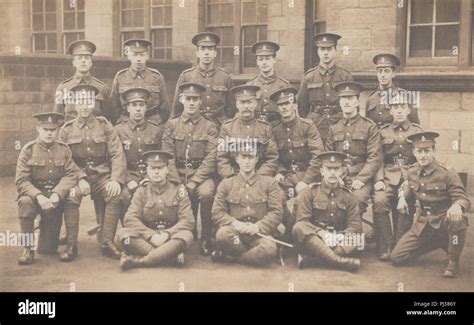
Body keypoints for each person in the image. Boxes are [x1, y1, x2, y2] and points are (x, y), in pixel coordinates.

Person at [58, 84, 128, 259]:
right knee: (72, 195)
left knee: (116, 194)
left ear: (93, 104)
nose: (84, 106)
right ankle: (72, 245)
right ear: (74, 103)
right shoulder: (66, 130)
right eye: (80, 101)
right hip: (76, 177)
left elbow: (117, 153)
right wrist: (80, 177)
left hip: (102, 176)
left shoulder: (104, 125)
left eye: (88, 101)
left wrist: (115, 179)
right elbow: (63, 160)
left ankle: (106, 243)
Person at [391, 131, 470, 278]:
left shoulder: (447, 172)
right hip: (422, 224)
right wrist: (402, 197)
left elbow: (463, 198)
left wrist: (457, 205)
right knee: (397, 257)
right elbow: (407, 185)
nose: (423, 155)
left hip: (443, 220)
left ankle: (453, 260)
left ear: (434, 150)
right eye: (419, 151)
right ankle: (436, 242)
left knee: (459, 219)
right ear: (414, 152)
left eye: (427, 151)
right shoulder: (412, 170)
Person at [15, 112, 80, 264]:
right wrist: (38, 195)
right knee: (24, 201)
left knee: (73, 193)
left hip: (57, 197)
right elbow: (21, 181)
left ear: (57, 129)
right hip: (37, 197)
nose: (49, 133)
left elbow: (71, 175)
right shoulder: (28, 150)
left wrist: (58, 193)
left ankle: (71, 246)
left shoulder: (64, 149)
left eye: (53, 129)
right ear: (38, 128)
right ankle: (28, 249)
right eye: (46, 129)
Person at [162, 82, 218, 255]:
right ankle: (180, 233)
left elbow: (211, 158)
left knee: (207, 193)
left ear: (201, 101)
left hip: (200, 174)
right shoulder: (171, 125)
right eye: (188, 99)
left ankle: (206, 237)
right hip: (177, 172)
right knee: (173, 192)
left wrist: (194, 181)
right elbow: (167, 156)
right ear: (181, 99)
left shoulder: (210, 126)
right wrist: (177, 181)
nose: (192, 103)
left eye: (195, 99)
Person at [115, 151, 195, 270]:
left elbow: (188, 220)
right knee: (123, 236)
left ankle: (140, 261)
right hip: (148, 238)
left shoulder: (179, 189)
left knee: (186, 236)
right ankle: (169, 256)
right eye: (152, 168)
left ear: (167, 170)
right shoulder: (141, 190)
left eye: (160, 168)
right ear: (147, 170)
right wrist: (151, 235)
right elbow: (130, 219)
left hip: (171, 237)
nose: (156, 172)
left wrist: (166, 234)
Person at [212, 143, 283, 266]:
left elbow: (276, 212)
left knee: (269, 248)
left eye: (250, 157)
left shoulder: (269, 183)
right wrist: (235, 223)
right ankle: (252, 256)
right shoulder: (226, 183)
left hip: (258, 235)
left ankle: (234, 258)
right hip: (235, 235)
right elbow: (217, 212)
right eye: (243, 157)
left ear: (256, 159)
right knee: (222, 235)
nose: (247, 162)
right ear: (237, 159)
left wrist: (258, 226)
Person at [293, 151, 362, 272]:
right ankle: (339, 261)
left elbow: (355, 225)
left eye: (336, 169)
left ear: (342, 171)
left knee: (359, 239)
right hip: (315, 240)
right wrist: (322, 233)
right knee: (299, 227)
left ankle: (311, 261)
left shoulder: (349, 196)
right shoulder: (310, 192)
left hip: (338, 240)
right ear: (321, 171)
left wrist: (340, 236)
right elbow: (303, 220)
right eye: (328, 168)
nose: (332, 173)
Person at [269, 86, 324, 240]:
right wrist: (279, 171)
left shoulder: (308, 126)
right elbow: (274, 156)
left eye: (288, 103)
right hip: (286, 176)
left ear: (295, 105)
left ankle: (289, 237)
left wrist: (306, 181)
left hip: (307, 174)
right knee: (276, 198)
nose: (284, 107)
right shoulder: (275, 129)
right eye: (281, 105)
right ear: (278, 108)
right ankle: (292, 231)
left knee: (302, 200)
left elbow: (318, 156)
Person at [372, 101, 422, 260]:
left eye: (402, 107)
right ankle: (387, 244)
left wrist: (410, 180)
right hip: (388, 175)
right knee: (379, 200)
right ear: (390, 111)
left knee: (406, 201)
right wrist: (379, 179)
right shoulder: (382, 132)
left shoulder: (417, 131)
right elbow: (377, 158)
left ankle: (400, 243)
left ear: (409, 110)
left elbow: (420, 160)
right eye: (395, 108)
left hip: (410, 176)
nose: (399, 111)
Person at [326, 81, 382, 215]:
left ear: (358, 101)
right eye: (343, 98)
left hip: (360, 174)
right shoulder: (334, 127)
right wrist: (335, 175)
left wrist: (361, 179)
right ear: (339, 102)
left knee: (356, 200)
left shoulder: (369, 126)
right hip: (338, 175)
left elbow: (375, 157)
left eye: (350, 98)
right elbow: (328, 156)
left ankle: (352, 234)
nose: (346, 102)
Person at [297, 33, 352, 143]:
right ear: (318, 51)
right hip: (315, 126)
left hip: (339, 124)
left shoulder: (345, 76)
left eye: (329, 49)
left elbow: (353, 106)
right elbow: (302, 107)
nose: (326, 53)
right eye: (322, 49)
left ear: (335, 50)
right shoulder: (309, 77)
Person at [171, 32, 235, 128]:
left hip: (218, 127)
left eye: (210, 49)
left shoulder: (225, 77)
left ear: (215, 53)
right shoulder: (186, 76)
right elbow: (177, 109)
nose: (206, 52)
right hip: (193, 127)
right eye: (202, 48)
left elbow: (231, 109)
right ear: (197, 53)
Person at [217, 84, 278, 179]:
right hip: (234, 176)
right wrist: (231, 177)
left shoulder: (266, 128)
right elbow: (221, 158)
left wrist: (259, 176)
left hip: (260, 176)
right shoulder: (227, 128)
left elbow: (272, 158)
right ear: (237, 104)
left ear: (255, 103)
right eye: (242, 102)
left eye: (249, 102)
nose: (246, 106)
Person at [114, 87, 163, 197]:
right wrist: (128, 180)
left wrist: (149, 178)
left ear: (146, 108)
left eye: (141, 105)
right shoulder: (118, 130)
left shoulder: (156, 130)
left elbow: (161, 158)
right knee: (124, 196)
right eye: (134, 105)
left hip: (151, 175)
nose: (138, 109)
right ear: (128, 108)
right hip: (128, 174)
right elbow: (115, 159)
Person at [110, 39, 171, 125]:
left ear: (147, 56)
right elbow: (113, 108)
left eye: (142, 55)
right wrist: (124, 124)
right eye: (135, 55)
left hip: (152, 125)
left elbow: (165, 109)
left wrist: (153, 124)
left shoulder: (156, 77)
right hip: (126, 126)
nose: (138, 59)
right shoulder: (120, 77)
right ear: (128, 56)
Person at [54, 40, 111, 122]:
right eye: (79, 58)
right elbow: (58, 118)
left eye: (87, 58)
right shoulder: (63, 88)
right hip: (71, 133)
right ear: (73, 62)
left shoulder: (102, 88)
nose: (83, 61)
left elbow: (107, 119)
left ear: (91, 62)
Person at [364, 53, 419, 128]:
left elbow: (414, 126)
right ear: (376, 74)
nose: (383, 75)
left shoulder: (406, 96)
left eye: (387, 71)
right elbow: (367, 126)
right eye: (380, 71)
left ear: (393, 74)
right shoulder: (371, 99)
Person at [246, 40, 290, 126]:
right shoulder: (250, 85)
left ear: (274, 60)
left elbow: (291, 113)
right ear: (257, 62)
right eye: (261, 59)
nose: (264, 62)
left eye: (267, 58)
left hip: (277, 128)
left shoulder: (284, 85)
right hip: (255, 128)